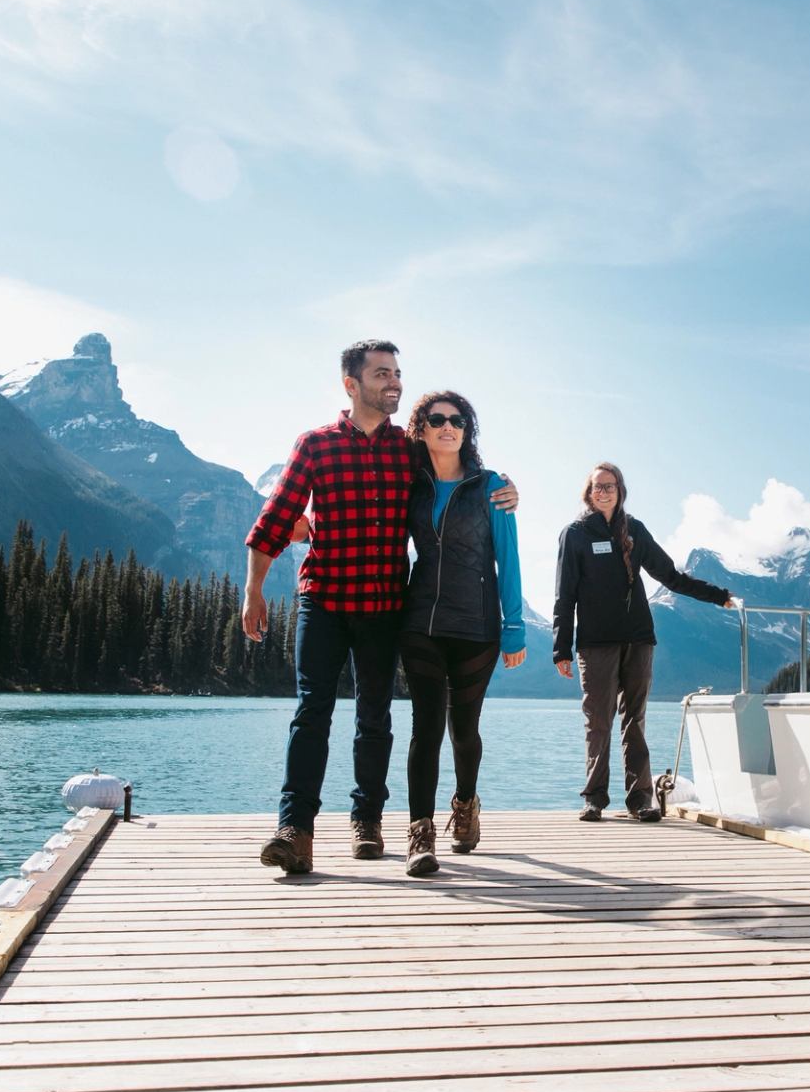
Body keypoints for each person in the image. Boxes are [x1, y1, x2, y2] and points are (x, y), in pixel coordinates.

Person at [242, 340, 517, 875]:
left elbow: (455, 467)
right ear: (352, 384)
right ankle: (294, 830)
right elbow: (275, 519)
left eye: (397, 373)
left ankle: (366, 821)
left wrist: (504, 489)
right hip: (321, 599)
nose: (393, 382)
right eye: (381, 374)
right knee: (310, 713)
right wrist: (253, 591)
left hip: (386, 604)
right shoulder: (314, 445)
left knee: (375, 717)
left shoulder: (407, 450)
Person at [553, 462, 737, 822]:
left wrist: (717, 595)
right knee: (599, 722)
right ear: (588, 493)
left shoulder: (634, 530)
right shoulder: (574, 534)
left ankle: (640, 799)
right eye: (597, 486)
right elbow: (565, 595)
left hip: (639, 639)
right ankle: (594, 798)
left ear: (621, 490)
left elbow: (670, 576)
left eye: (610, 485)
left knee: (634, 720)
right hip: (595, 643)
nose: (603, 491)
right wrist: (561, 648)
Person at [399, 391, 526, 876]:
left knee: (464, 728)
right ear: (423, 429)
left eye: (457, 420)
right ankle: (420, 833)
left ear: (466, 430)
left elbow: (507, 559)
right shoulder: (413, 484)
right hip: (421, 621)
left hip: (477, 625)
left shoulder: (492, 486)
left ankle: (467, 803)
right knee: (425, 727)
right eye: (437, 420)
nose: (448, 427)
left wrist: (514, 628)